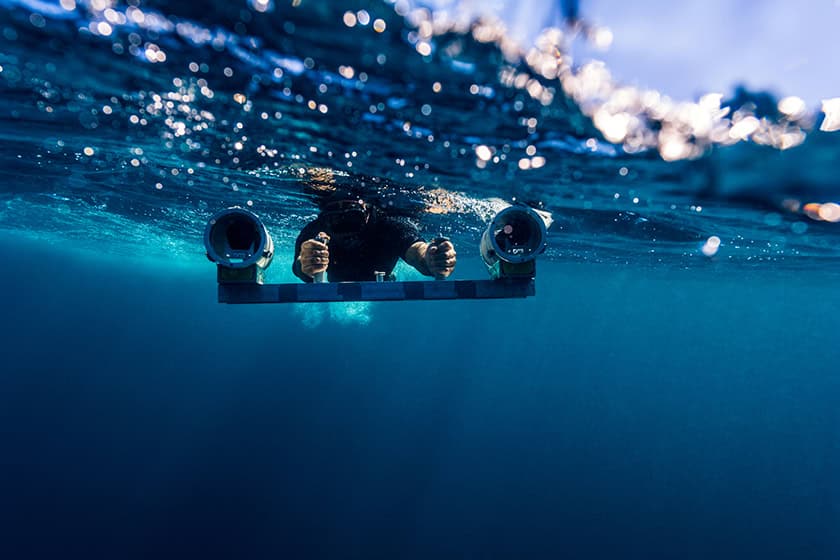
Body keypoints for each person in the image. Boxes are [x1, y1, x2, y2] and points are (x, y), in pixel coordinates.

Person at [292, 191, 456, 282]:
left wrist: (431, 258)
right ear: (326, 218)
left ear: (369, 214)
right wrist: (306, 264)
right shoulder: (317, 229)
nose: (345, 228)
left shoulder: (389, 225)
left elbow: (416, 250)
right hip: (350, 276)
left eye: (353, 218)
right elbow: (299, 266)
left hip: (378, 276)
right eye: (335, 219)